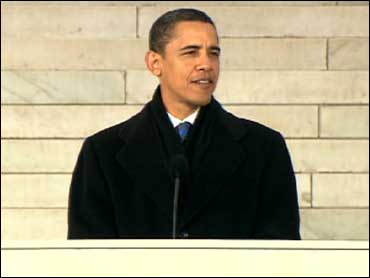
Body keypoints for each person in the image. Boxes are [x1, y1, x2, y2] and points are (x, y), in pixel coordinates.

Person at [68, 8, 300, 239]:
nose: (206, 64)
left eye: (213, 53)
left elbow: (281, 252)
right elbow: (86, 258)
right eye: (191, 52)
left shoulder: (264, 147)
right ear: (155, 63)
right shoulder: (103, 152)